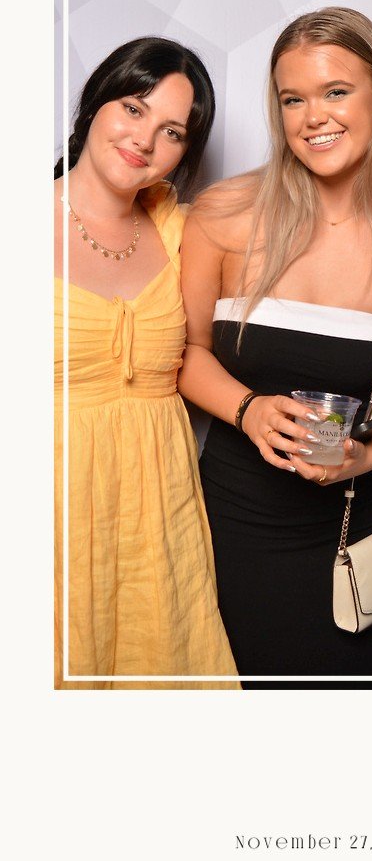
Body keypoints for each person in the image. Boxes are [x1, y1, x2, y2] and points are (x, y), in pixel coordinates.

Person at [180, 7, 372, 689]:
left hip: (352, 532)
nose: (313, 116)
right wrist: (249, 410)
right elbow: (187, 353)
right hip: (235, 521)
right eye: (294, 99)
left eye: (336, 92)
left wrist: (368, 454)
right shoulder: (224, 212)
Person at [53, 37, 236, 689]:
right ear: (97, 100)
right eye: (133, 108)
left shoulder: (185, 232)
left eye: (172, 131)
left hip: (158, 523)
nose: (144, 140)